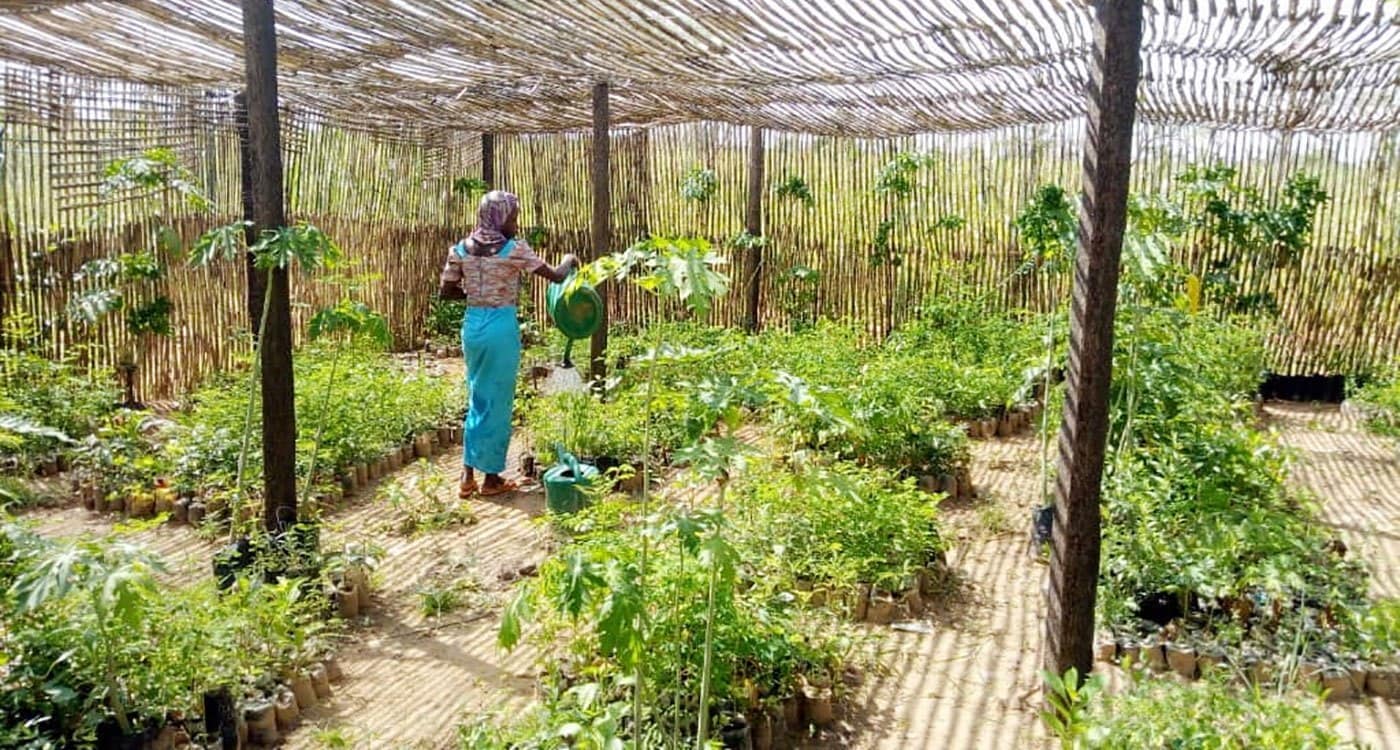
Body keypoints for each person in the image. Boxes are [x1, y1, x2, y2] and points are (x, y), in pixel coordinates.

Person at [439, 190, 578, 498]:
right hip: (500, 327)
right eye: (512, 217)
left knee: (477, 395)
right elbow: (555, 276)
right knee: (499, 402)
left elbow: (446, 291)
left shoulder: (460, 248)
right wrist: (570, 260)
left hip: (472, 327)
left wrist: (476, 296)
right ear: (499, 219)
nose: (516, 223)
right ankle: (491, 480)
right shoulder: (513, 249)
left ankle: (466, 475)